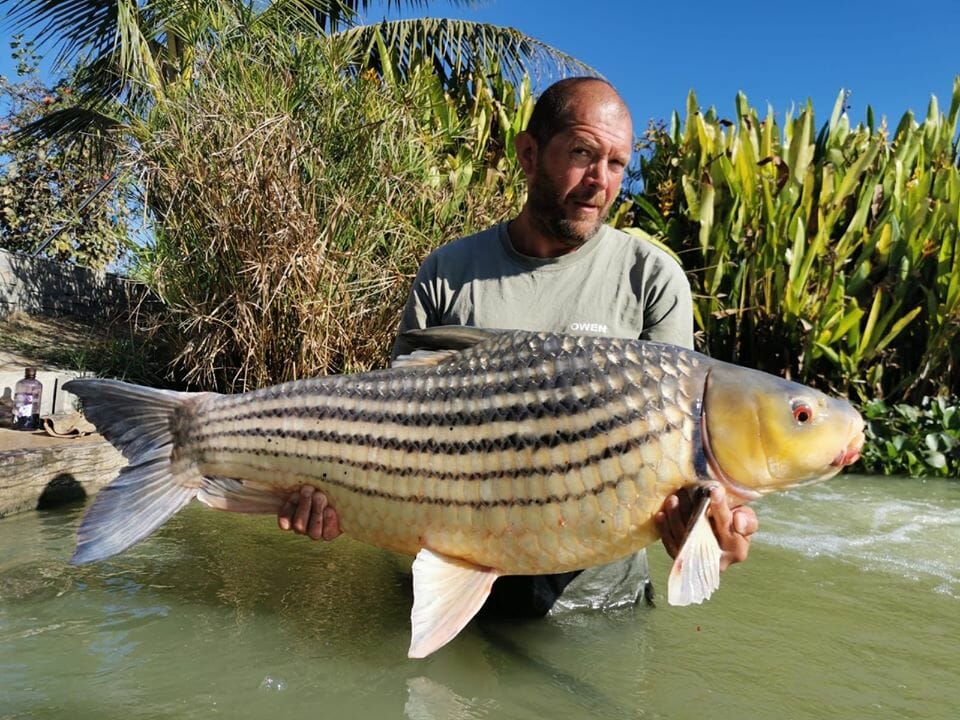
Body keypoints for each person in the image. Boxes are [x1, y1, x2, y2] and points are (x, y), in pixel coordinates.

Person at [278, 76, 758, 616]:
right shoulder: (448, 272)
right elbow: (394, 434)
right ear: (528, 154)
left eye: (618, 164)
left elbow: (681, 467)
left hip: (595, 609)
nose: (600, 181)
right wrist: (330, 493)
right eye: (582, 153)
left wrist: (704, 538)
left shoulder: (653, 279)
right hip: (444, 586)